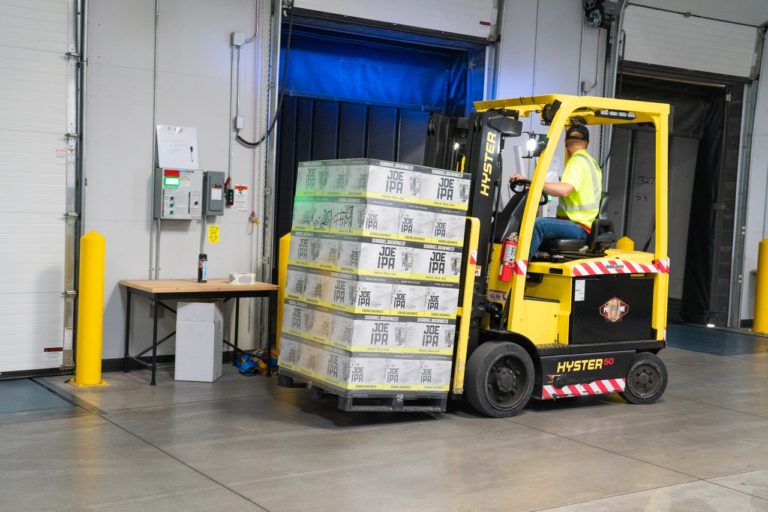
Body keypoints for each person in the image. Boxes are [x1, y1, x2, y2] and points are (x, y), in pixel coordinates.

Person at [511, 124, 602, 260]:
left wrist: (534, 182)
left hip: (578, 226)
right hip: (584, 225)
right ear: (587, 143)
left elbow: (565, 190)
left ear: (565, 143)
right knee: (534, 222)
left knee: (538, 225)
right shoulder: (592, 163)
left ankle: (518, 271)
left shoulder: (577, 161)